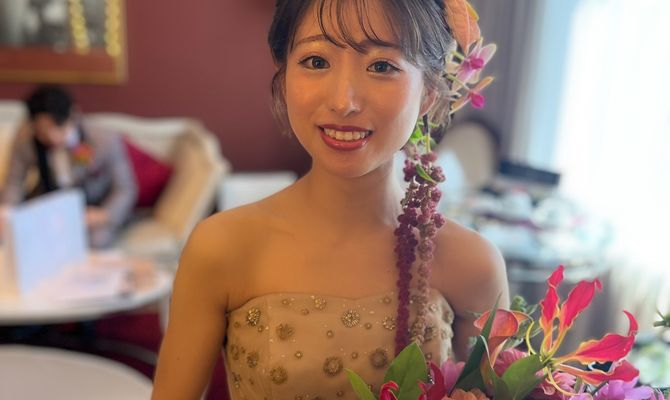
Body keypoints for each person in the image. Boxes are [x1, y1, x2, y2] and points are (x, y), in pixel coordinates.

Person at [151, 1, 509, 398]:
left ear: (428, 92)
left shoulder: (473, 265)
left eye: (381, 66)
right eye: (317, 61)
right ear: (284, 77)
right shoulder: (221, 247)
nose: (343, 101)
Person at [1, 85, 137, 248]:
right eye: (43, 131)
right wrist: (6, 213)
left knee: (97, 240)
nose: (52, 137)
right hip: (49, 204)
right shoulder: (25, 138)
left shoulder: (104, 140)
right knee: (23, 237)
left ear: (73, 114)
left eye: (58, 127)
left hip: (92, 207)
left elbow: (125, 188)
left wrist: (102, 214)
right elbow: (14, 182)